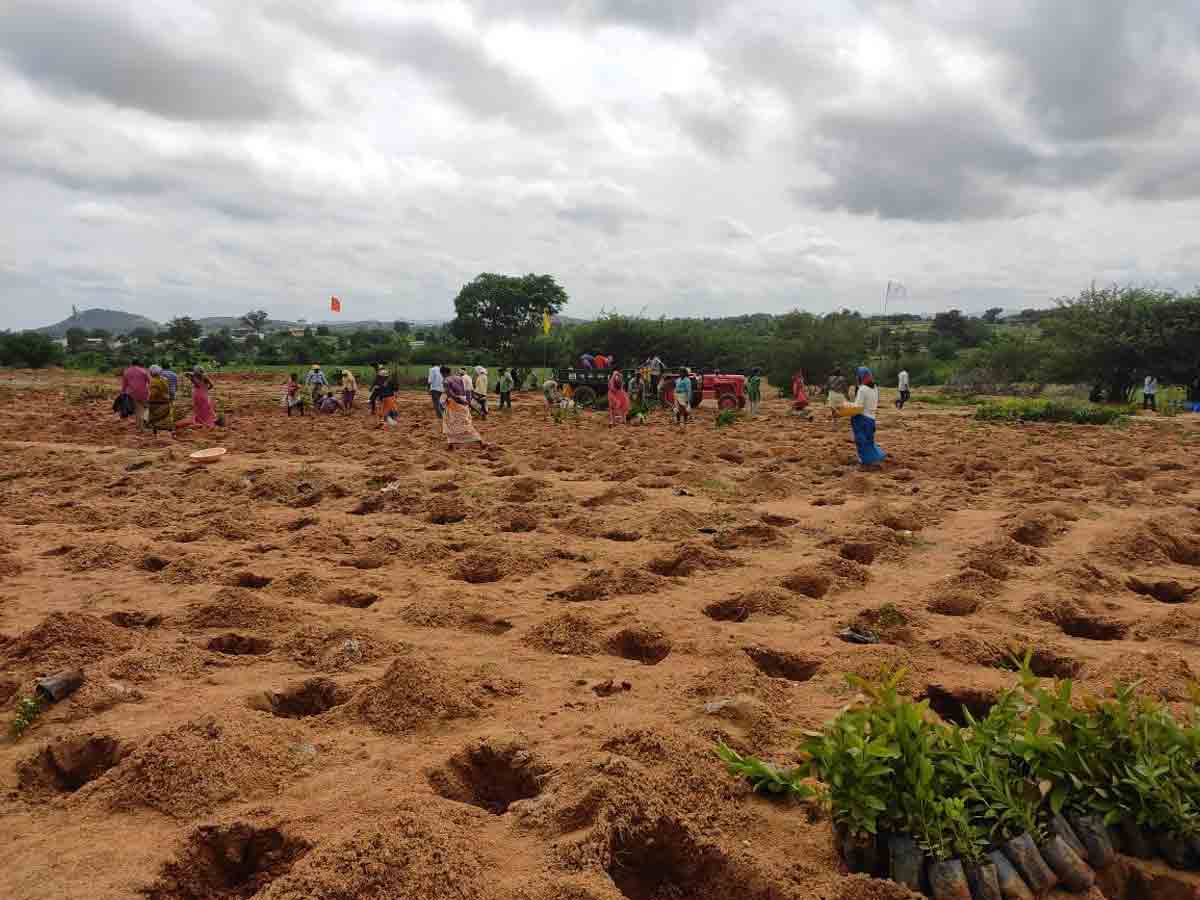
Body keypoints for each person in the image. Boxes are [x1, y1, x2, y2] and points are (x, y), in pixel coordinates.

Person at [850, 367, 886, 466]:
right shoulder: (875, 388)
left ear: (860, 377)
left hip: (862, 419)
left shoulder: (862, 389)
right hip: (871, 419)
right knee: (869, 441)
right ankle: (876, 457)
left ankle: (866, 462)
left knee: (861, 442)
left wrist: (847, 407)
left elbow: (858, 407)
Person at [442, 369, 483, 447]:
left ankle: (451, 444)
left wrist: (458, 400)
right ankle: (479, 441)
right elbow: (467, 390)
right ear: (450, 372)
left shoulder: (446, 381)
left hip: (454, 404)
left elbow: (450, 394)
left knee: (450, 424)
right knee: (465, 423)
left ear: (442, 373)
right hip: (463, 402)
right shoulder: (459, 378)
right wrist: (466, 401)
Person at [121, 359, 150, 429]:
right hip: (144, 393)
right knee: (145, 408)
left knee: (137, 409)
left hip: (132, 393)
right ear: (139, 363)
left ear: (131, 363)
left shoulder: (126, 371)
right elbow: (149, 381)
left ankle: (139, 425)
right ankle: (143, 422)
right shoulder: (144, 371)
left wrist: (123, 393)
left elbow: (124, 384)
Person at [146, 365, 174, 435]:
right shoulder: (164, 379)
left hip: (156, 403)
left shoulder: (154, 381)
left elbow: (153, 394)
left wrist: (148, 400)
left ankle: (156, 434)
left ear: (151, 373)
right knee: (166, 420)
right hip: (165, 401)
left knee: (155, 420)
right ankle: (169, 433)